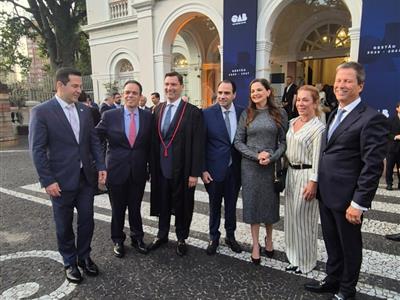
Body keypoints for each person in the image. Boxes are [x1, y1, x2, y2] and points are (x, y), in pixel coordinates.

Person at [304, 62, 389, 300]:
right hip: (327, 193)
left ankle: (346, 290)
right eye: (339, 80)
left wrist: (359, 203)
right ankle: (332, 281)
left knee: (349, 247)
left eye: (348, 81)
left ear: (360, 86)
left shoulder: (371, 118)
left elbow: (372, 166)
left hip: (348, 198)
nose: (341, 85)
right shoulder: (335, 114)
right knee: (332, 242)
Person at [29, 67, 107, 284]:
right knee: (63, 225)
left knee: (87, 221)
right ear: (60, 86)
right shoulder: (42, 111)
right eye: (75, 86)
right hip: (60, 181)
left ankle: (84, 257)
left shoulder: (84, 110)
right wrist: (47, 180)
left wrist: (101, 165)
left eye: (80, 86)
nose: (79, 90)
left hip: (85, 178)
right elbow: (37, 149)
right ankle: (69, 262)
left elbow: (93, 141)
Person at [148, 71, 204, 256]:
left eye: (173, 84)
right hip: (161, 168)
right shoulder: (157, 109)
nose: (169, 88)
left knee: (183, 204)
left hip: (183, 168)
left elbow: (198, 144)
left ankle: (181, 237)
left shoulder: (193, 112)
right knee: (162, 201)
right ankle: (162, 234)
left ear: (181, 86)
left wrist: (194, 172)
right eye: (166, 84)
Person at [96, 80, 152, 258]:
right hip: (116, 170)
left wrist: (151, 168)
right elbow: (95, 138)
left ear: (140, 96)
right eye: (127, 92)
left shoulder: (148, 117)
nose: (130, 96)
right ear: (122, 94)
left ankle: (137, 239)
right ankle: (118, 240)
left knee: (135, 208)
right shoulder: (110, 116)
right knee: (118, 208)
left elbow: (151, 145)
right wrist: (100, 164)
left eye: (134, 93)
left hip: (138, 170)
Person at [234, 78, 287, 264]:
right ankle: (256, 244)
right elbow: (238, 141)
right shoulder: (246, 114)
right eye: (252, 91)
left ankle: (269, 238)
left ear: (268, 92)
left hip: (270, 168)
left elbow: (283, 142)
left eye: (259, 90)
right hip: (250, 167)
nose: (255, 94)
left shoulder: (279, 113)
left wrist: (271, 157)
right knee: (253, 205)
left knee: (270, 205)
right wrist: (256, 156)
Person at [284, 85, 325, 274]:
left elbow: (318, 157)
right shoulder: (292, 122)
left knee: (305, 220)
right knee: (291, 219)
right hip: (291, 174)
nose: (300, 103)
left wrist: (313, 182)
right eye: (298, 99)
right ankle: (293, 257)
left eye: (305, 100)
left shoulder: (318, 128)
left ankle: (307, 261)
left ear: (315, 103)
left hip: (307, 175)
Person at [202, 79, 245, 255]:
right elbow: (201, 143)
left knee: (231, 205)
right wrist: (202, 169)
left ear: (234, 95)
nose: (222, 96)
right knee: (214, 205)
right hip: (213, 170)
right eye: (220, 93)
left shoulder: (243, 112)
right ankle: (214, 237)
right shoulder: (207, 114)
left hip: (235, 169)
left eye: (226, 93)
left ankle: (230, 236)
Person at [385, 102, 400, 190]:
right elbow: (386, 133)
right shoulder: (391, 120)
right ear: (397, 109)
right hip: (392, 148)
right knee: (390, 167)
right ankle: (389, 184)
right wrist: (395, 137)